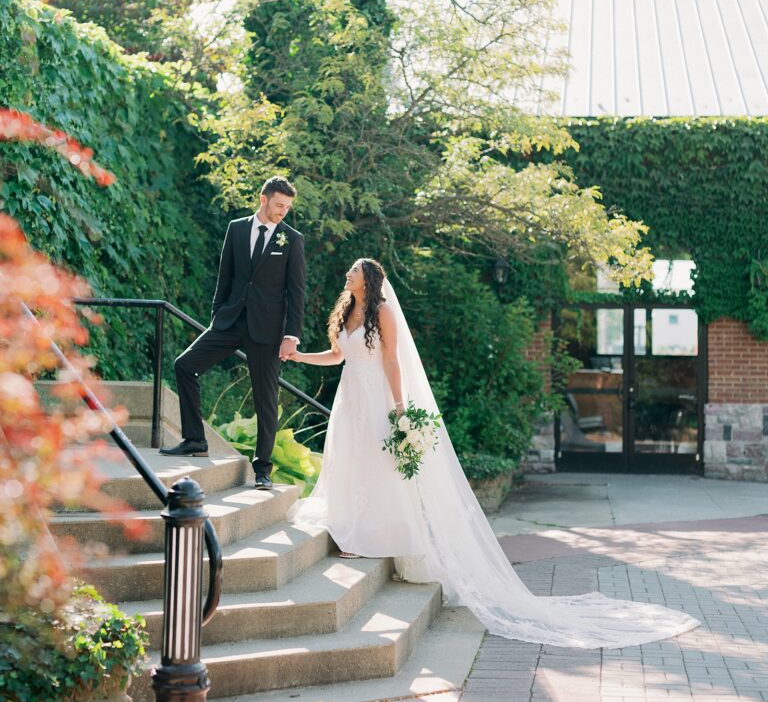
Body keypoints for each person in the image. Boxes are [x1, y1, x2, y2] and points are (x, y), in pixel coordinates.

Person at [287, 258, 700, 649]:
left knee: (379, 468)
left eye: (354, 270)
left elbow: (392, 361)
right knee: (351, 462)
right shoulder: (346, 311)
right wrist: (299, 355)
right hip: (350, 399)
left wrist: (399, 408)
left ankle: (373, 534)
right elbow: (338, 356)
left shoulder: (384, 313)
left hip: (377, 398)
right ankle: (352, 525)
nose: (348, 273)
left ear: (370, 279)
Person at [161, 176, 305, 490]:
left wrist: (291, 335)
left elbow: (296, 292)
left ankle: (262, 469)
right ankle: (195, 439)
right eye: (279, 205)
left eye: (287, 207)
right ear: (263, 199)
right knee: (184, 365)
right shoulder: (236, 229)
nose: (283, 212)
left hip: (267, 329)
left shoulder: (292, 239)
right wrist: (216, 317)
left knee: (265, 399)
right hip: (230, 321)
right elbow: (224, 277)